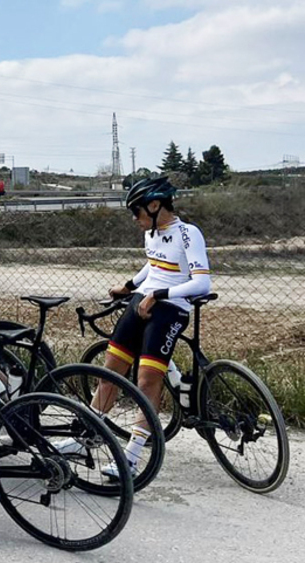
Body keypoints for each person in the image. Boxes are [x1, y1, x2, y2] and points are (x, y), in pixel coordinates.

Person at [76, 176, 211, 479]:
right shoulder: (150, 233)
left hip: (172, 307)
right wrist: (128, 286)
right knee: (110, 371)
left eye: (136, 211)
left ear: (154, 205)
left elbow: (202, 282)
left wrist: (158, 295)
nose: (134, 218)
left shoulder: (188, 233)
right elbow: (154, 264)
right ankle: (84, 439)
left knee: (148, 379)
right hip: (143, 300)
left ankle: (133, 457)